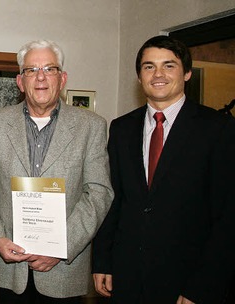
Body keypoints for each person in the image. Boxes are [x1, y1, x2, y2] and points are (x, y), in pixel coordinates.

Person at [92, 35, 235, 304]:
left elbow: (228, 218)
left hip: (187, 280)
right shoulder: (122, 128)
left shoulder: (217, 129)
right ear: (139, 76)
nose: (158, 74)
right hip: (127, 277)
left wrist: (204, 286)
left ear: (187, 73)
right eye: (149, 66)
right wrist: (102, 260)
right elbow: (113, 200)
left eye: (169, 65)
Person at [0, 39, 113, 303]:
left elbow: (98, 193)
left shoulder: (91, 126)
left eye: (49, 69)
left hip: (64, 271)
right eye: (31, 70)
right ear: (20, 81)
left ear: (63, 78)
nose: (41, 77)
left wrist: (61, 247)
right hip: (9, 267)